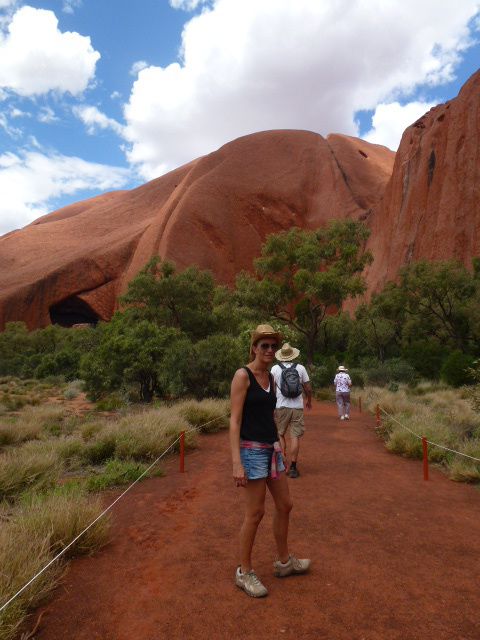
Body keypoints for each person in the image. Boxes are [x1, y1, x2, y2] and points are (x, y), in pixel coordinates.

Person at [230, 324, 311, 598]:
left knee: (285, 504)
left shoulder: (272, 378)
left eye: (273, 346)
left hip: (271, 447)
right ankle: (244, 572)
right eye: (264, 345)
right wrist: (236, 462)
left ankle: (284, 562)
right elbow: (235, 420)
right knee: (255, 513)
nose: (269, 350)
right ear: (254, 347)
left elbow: (270, 416)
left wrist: (280, 446)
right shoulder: (243, 376)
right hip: (251, 450)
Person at [271, 343, 312, 479]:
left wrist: (272, 405)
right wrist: (309, 400)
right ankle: (293, 467)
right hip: (297, 407)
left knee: (280, 434)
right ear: (293, 355)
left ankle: (283, 463)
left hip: (281, 406)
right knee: (295, 436)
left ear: (281, 355)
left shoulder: (275, 369)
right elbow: (308, 387)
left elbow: (273, 390)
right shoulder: (300, 368)